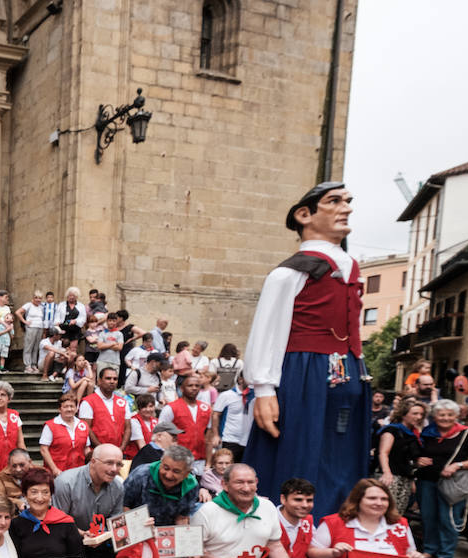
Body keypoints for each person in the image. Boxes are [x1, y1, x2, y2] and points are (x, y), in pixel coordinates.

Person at [244, 183, 370, 516]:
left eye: (347, 201)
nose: (347, 208)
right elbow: (266, 330)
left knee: (341, 456)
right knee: (299, 451)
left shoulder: (350, 267)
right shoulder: (291, 271)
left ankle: (336, 523)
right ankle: (286, 527)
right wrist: (263, 388)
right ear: (304, 215)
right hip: (303, 374)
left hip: (347, 371)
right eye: (334, 201)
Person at [52, 444, 126, 558]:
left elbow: (115, 520)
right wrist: (81, 534)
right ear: (93, 462)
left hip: (98, 540)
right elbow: (58, 520)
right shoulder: (66, 482)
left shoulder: (117, 486)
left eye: (119, 464)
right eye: (109, 463)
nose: (114, 469)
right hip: (67, 540)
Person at [413, 399, 468, 558]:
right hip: (426, 480)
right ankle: (429, 550)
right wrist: (418, 460)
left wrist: (458, 465)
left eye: (450, 415)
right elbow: (418, 453)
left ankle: (446, 554)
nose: (445, 418)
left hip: (452, 483)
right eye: (441, 414)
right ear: (434, 416)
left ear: (457, 416)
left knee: (448, 519)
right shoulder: (428, 432)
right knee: (428, 517)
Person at [159, 372, 215, 471]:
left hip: (200, 459)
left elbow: (209, 438)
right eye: (190, 385)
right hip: (177, 458)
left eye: (197, 386)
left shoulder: (206, 408)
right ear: (182, 389)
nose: (194, 388)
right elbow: (160, 434)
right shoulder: (171, 408)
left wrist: (208, 463)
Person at [377, 399, 425, 512]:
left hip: (405, 478)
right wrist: (386, 472)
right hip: (390, 476)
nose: (419, 417)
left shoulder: (414, 434)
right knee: (385, 510)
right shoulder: (391, 430)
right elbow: (383, 452)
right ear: (403, 414)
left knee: (398, 512)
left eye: (421, 414)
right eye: (415, 413)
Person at [80, 366, 130, 452]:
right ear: (99, 381)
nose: (112, 381)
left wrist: (121, 448)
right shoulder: (88, 402)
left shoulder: (123, 402)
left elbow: (128, 428)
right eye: (108, 378)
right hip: (97, 452)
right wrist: (103, 449)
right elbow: (87, 429)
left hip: (120, 451)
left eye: (115, 379)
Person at [39, 393, 90, 476]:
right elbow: (44, 449)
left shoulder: (83, 425)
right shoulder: (50, 425)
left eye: (72, 406)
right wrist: (54, 469)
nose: (69, 409)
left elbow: (86, 448)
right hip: (58, 471)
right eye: (65, 407)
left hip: (78, 471)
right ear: (60, 409)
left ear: (76, 408)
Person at [211, 374, 253, 461]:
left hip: (249, 439)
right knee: (229, 465)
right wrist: (216, 435)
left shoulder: (254, 396)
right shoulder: (226, 395)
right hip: (230, 438)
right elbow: (215, 415)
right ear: (240, 379)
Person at [0, 448, 32, 513]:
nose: (18, 469)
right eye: (14, 466)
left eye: (22, 465)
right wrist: (17, 502)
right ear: (9, 464)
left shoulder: (39, 473)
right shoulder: (2, 477)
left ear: (30, 462)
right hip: (11, 513)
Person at [126, 393, 159, 460]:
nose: (148, 409)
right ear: (139, 408)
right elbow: (142, 445)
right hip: (137, 459)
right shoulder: (134, 421)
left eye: (151, 406)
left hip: (153, 457)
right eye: (144, 407)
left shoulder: (156, 421)